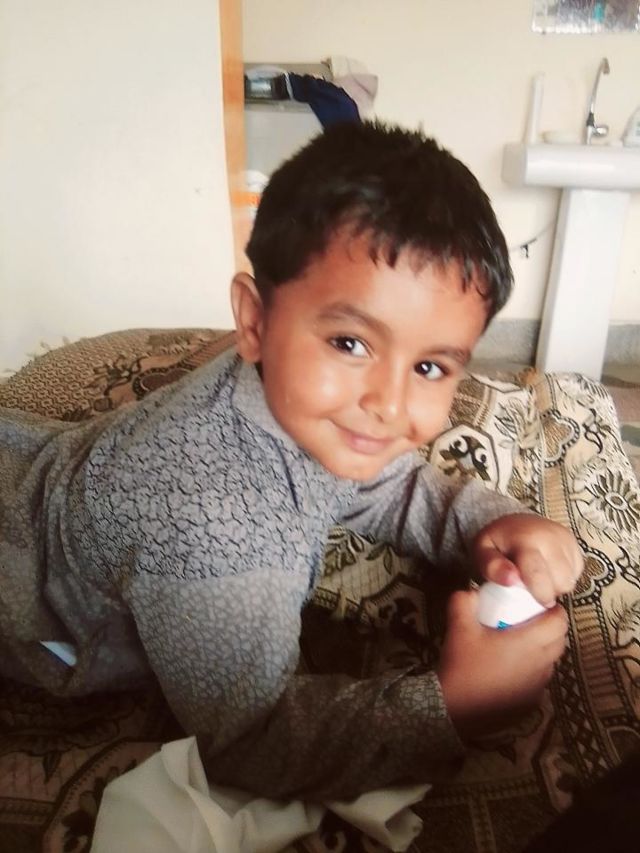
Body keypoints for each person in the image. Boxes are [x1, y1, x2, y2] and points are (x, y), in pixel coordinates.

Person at [0, 121, 582, 801]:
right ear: (254, 322)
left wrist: (491, 523)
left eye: (429, 366)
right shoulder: (213, 525)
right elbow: (249, 739)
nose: (389, 404)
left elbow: (389, 488)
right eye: (349, 343)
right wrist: (454, 704)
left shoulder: (309, 412)